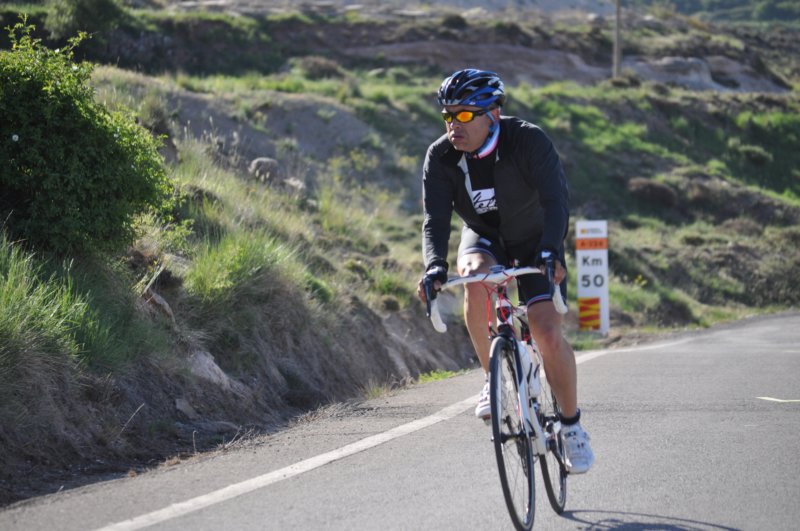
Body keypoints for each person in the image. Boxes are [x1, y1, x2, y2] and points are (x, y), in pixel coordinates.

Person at [416, 68, 594, 474]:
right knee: (474, 278)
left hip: (534, 239)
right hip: (484, 237)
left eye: (464, 115)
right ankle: (493, 378)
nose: (453, 124)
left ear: (493, 114)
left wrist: (551, 250)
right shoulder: (440, 157)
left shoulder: (528, 140)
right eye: (448, 115)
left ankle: (571, 426)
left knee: (547, 333)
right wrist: (434, 265)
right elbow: (435, 220)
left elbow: (555, 201)